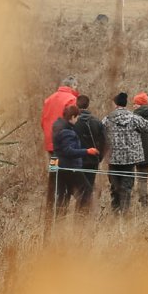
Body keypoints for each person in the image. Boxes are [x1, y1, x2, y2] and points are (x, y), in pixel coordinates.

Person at [104, 92, 148, 214]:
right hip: (138, 157)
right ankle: (126, 211)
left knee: (123, 184)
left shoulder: (108, 119)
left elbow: (100, 133)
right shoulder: (137, 118)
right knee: (131, 185)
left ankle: (123, 208)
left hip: (118, 158)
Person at [50, 104, 98, 214]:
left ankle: (60, 220)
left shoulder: (59, 127)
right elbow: (68, 151)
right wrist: (87, 151)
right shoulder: (67, 132)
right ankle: (80, 218)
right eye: (76, 118)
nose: (77, 121)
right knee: (86, 190)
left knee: (63, 194)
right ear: (72, 117)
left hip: (60, 166)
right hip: (69, 167)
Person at [41, 76, 78, 209]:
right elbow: (72, 121)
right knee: (66, 173)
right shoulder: (71, 99)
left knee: (53, 171)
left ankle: (50, 204)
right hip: (64, 144)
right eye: (76, 86)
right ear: (73, 86)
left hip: (51, 143)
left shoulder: (49, 99)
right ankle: (63, 206)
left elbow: (43, 121)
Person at [74, 94, 107, 209]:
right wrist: (99, 157)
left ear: (76, 105)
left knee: (79, 189)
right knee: (89, 186)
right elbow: (105, 142)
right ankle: (85, 213)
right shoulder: (97, 122)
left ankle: (80, 213)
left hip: (78, 161)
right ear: (88, 105)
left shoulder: (74, 123)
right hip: (93, 161)